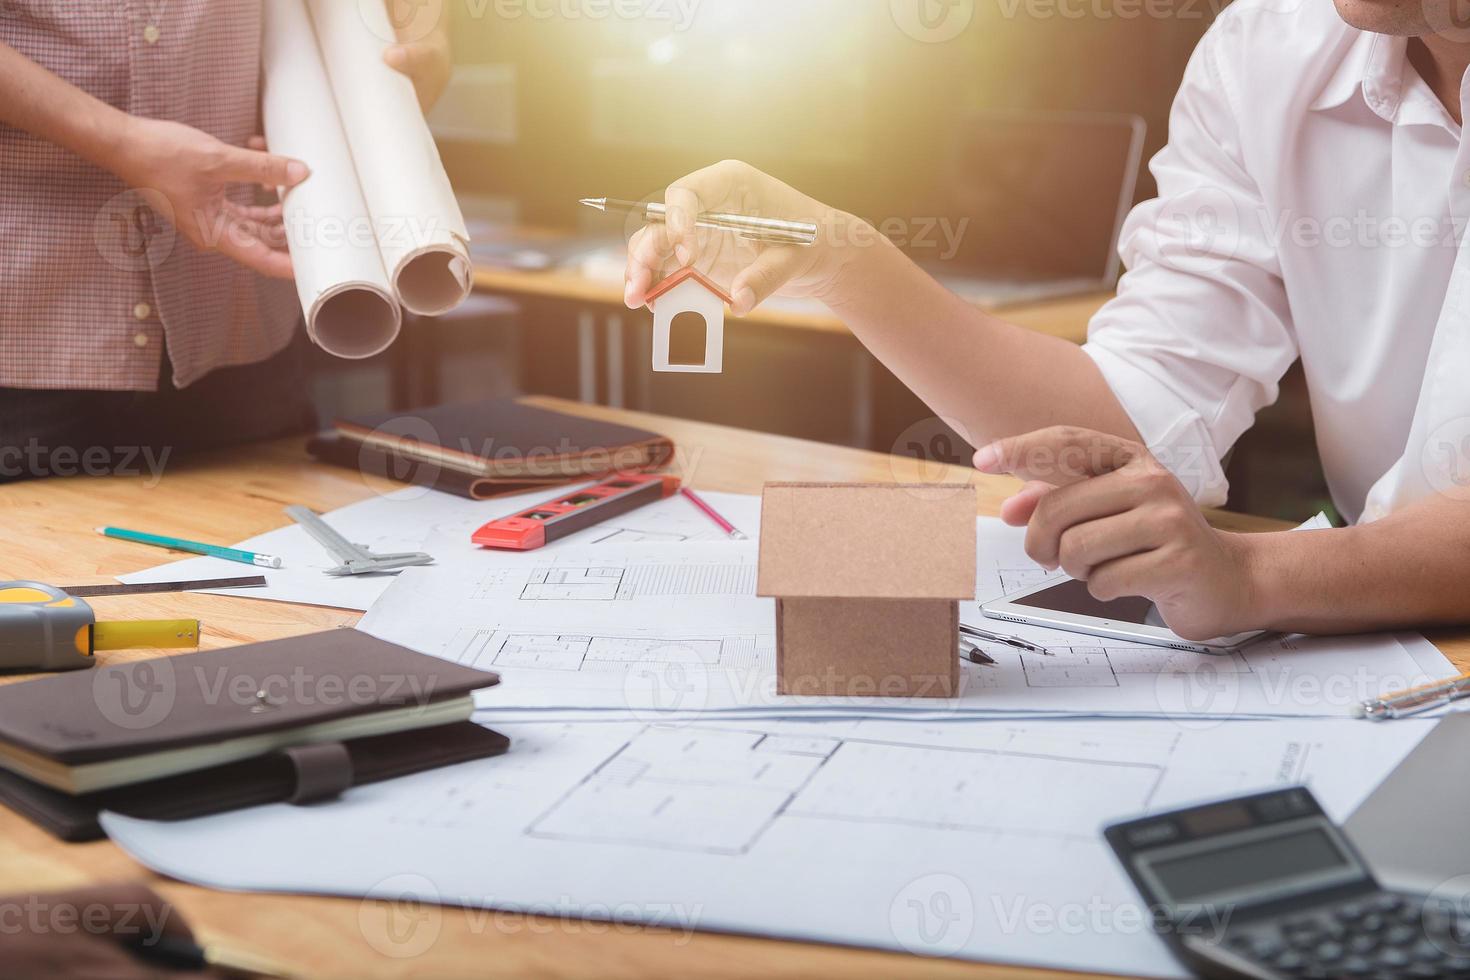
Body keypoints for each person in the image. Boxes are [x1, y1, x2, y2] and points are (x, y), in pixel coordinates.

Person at [625, 0, 1470, 641]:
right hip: (1397, 649)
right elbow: (1140, 425)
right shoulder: (1270, 44)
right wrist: (843, 261)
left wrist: (1256, 574)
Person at [0, 2, 451, 482]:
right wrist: (121, 142)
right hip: (31, 338)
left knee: (283, 547)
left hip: (239, 326)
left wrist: (431, 35)